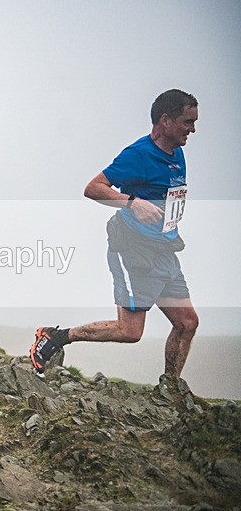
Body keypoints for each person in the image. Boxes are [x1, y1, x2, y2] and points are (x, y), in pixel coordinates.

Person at [30, 89, 199, 380]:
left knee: (187, 323)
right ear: (166, 120)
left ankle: (171, 390)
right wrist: (132, 204)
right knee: (130, 331)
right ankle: (55, 337)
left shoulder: (177, 153)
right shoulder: (139, 154)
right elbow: (93, 187)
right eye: (187, 122)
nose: (193, 129)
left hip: (165, 250)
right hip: (135, 249)